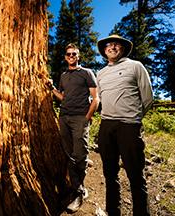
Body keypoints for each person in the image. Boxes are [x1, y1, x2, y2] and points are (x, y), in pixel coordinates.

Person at [96, 35, 153, 216]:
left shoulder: (135, 66)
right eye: (108, 45)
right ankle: (113, 212)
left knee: (136, 176)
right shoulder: (100, 73)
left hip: (129, 127)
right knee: (110, 174)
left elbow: (148, 98)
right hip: (106, 127)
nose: (112, 47)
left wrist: (133, 118)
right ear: (104, 51)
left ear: (122, 48)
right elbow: (99, 100)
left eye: (116, 44)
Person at [48, 43, 99, 213]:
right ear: (65, 57)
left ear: (78, 56)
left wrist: (87, 118)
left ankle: (79, 192)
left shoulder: (86, 73)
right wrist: (52, 88)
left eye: (74, 54)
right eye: (68, 54)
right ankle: (75, 188)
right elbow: (63, 97)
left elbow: (96, 98)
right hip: (64, 117)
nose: (71, 56)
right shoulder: (63, 76)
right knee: (69, 155)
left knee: (80, 154)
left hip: (80, 118)